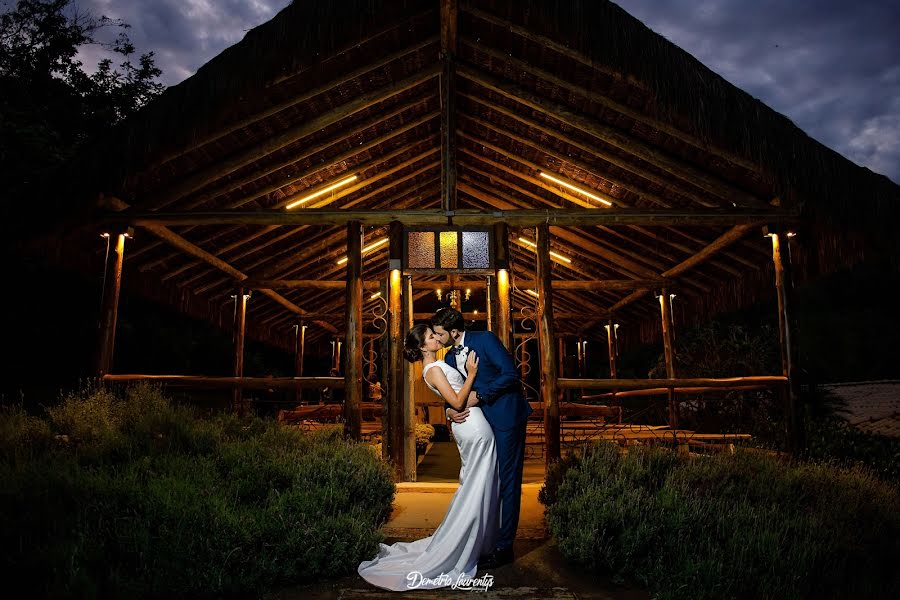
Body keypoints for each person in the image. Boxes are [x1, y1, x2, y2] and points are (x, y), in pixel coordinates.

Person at [358, 323, 499, 591]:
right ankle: (463, 545)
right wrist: (471, 374)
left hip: (470, 424)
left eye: (435, 334)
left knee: (479, 485)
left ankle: (478, 543)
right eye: (431, 337)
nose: (436, 338)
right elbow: (457, 402)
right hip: (472, 426)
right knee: (474, 487)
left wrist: (449, 411)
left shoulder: (437, 365)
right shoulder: (432, 369)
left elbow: (451, 405)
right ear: (423, 346)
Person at [431, 307, 532, 569]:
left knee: (508, 482)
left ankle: (504, 547)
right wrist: (449, 410)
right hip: (482, 422)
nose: (437, 338)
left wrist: (482, 395)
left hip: (507, 416)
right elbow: (455, 392)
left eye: (440, 334)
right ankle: (487, 541)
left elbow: (511, 375)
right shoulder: (451, 358)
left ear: (454, 331)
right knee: (490, 480)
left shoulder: (485, 339)